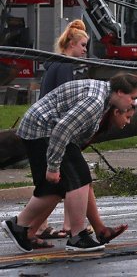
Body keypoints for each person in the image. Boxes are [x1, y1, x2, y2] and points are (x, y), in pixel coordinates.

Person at [3, 73, 137, 253]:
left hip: (44, 129)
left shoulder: (104, 98)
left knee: (57, 186)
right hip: (43, 129)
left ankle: (19, 225)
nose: (133, 103)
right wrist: (53, 167)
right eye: (132, 98)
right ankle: (78, 236)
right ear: (119, 92)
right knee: (79, 177)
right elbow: (62, 130)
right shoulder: (95, 101)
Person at [34, 19, 91, 241]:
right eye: (83, 46)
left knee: (51, 178)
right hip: (52, 127)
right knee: (70, 177)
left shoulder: (55, 64)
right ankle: (70, 226)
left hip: (45, 123)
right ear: (70, 44)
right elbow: (65, 97)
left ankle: (48, 225)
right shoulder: (66, 65)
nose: (85, 50)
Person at [39, 19, 90, 100]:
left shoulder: (56, 62)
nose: (85, 50)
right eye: (83, 45)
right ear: (72, 44)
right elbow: (65, 99)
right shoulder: (64, 65)